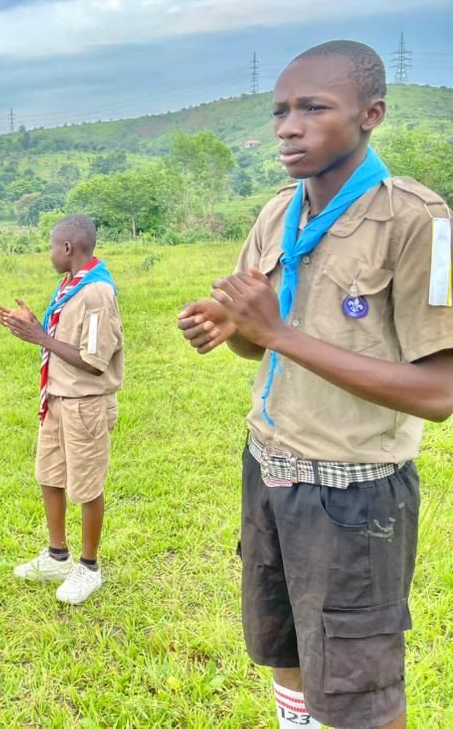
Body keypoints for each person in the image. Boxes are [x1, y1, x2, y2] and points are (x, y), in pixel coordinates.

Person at [177, 40, 453, 729]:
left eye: (313, 109)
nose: (288, 128)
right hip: (269, 469)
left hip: (354, 495)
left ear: (371, 115)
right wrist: (231, 327)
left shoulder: (419, 221)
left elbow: (439, 393)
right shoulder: (278, 213)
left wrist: (277, 334)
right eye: (280, 111)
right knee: (285, 647)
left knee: (362, 694)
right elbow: (255, 341)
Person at [0, 215, 123, 606]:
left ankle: (89, 566)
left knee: (86, 485)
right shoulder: (70, 285)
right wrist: (35, 327)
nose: (49, 254)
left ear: (67, 247)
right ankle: (57, 556)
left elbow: (94, 361)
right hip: (57, 397)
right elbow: (60, 340)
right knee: (49, 475)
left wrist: (40, 337)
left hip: (84, 404)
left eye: (51, 247)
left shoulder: (96, 292)